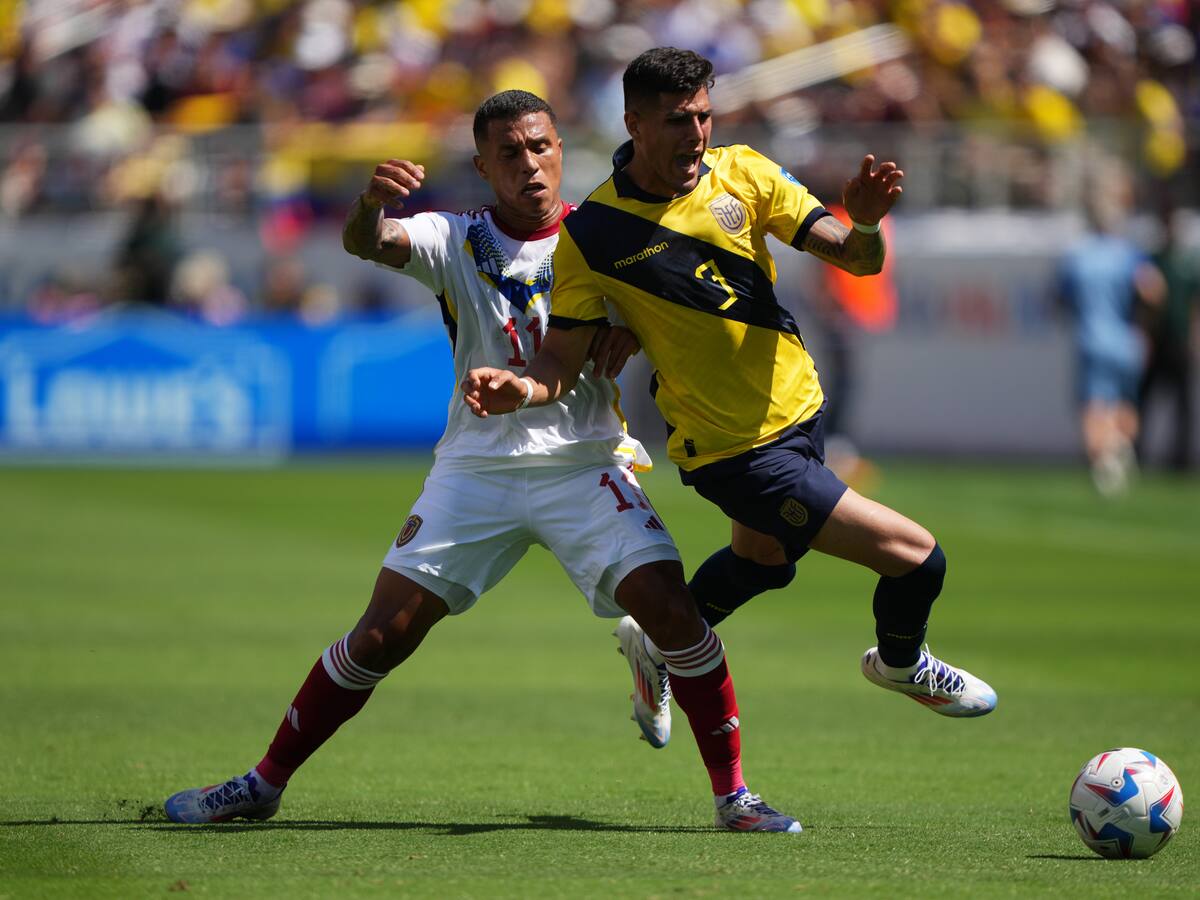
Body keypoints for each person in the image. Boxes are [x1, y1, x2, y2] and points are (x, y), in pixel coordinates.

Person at [163, 90, 801, 833]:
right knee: (380, 636)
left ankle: (734, 798)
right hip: (476, 467)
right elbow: (367, 244)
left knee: (674, 617)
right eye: (509, 153)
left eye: (540, 147)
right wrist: (370, 205)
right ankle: (262, 784)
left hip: (583, 462)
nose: (528, 165)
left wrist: (632, 332)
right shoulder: (453, 236)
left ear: (561, 149)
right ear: (483, 166)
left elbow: (676, 320)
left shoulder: (612, 234)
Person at [463, 50, 997, 749]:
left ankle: (656, 643)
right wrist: (525, 387)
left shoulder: (744, 172)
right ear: (635, 123)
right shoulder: (593, 234)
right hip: (733, 453)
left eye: (704, 116)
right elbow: (563, 355)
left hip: (800, 412)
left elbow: (856, 259)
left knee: (763, 566)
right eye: (677, 120)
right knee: (917, 558)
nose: (696, 134)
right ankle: (901, 663)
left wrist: (864, 226)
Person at [1058, 171, 1161, 496]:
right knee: (1125, 404)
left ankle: (1104, 464)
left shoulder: (1078, 255)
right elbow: (1154, 290)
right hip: (1125, 339)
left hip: (1092, 338)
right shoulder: (1127, 254)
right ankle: (1118, 448)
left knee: (1094, 406)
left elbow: (1061, 298)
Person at [1136, 204, 1197, 472]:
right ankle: (1137, 454)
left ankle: (1180, 460)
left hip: (1180, 341)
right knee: (1145, 399)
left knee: (1183, 405)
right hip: (1159, 341)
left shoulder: (1189, 264)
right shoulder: (1154, 261)